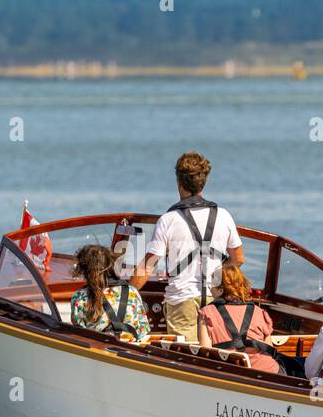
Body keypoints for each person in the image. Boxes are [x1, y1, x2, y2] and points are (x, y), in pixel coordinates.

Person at [131, 151, 243, 343]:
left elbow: (147, 267)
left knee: (187, 359)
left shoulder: (168, 220)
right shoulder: (223, 215)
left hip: (181, 301)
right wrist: (217, 277)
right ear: (204, 182)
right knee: (215, 356)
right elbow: (238, 259)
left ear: (178, 182)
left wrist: (124, 296)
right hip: (215, 301)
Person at [198, 265, 282, 374]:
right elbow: (269, 348)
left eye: (211, 287)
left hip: (229, 372)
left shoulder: (206, 313)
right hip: (268, 372)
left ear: (220, 289)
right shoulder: (260, 312)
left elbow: (205, 353)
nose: (210, 291)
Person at [69, 244, 150, 341]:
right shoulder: (132, 291)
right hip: (130, 350)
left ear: (83, 270)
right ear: (111, 265)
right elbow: (142, 330)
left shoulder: (80, 296)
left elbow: (80, 333)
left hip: (97, 350)